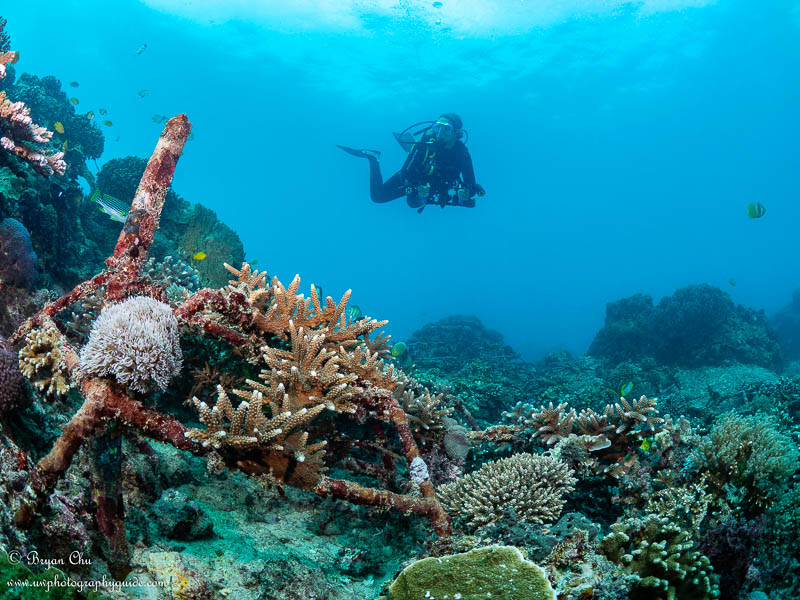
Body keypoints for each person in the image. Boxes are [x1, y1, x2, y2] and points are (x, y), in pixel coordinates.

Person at [338, 113, 485, 213]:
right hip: (414, 176)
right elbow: (405, 172)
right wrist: (416, 186)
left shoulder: (462, 154)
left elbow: (471, 184)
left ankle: (419, 194)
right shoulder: (425, 145)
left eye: (446, 130)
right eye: (437, 127)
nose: (439, 134)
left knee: (413, 203)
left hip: (437, 185)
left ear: (457, 134)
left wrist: (466, 192)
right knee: (378, 196)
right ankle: (373, 158)